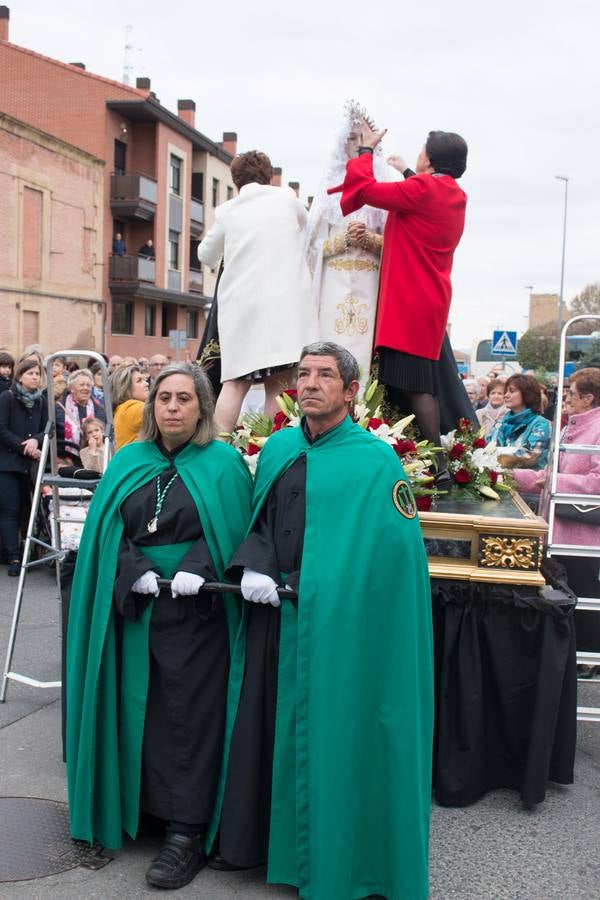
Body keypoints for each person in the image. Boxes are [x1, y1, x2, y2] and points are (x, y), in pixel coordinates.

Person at [209, 341, 434, 900]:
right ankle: (260, 847)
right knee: (268, 731)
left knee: (329, 740)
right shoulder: (280, 447)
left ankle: (328, 860)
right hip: (275, 620)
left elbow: (391, 560)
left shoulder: (374, 461)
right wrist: (256, 565)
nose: (309, 383)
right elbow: (262, 522)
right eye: (304, 374)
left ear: (351, 391)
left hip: (337, 628)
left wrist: (317, 587)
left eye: (325, 375)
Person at [66, 364, 253, 890]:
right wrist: (134, 570)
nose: (172, 407)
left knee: (188, 719)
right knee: (138, 713)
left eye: (183, 399)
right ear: (152, 408)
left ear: (202, 407)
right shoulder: (129, 460)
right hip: (136, 607)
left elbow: (235, 529)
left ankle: (186, 830)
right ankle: (144, 810)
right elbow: (107, 533)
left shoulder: (223, 464)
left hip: (198, 614)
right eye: (164, 398)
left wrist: (199, 566)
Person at [329, 124, 468, 485]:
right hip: (430, 297)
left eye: (423, 150)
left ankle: (438, 466)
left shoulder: (422, 190)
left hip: (409, 297)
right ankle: (430, 459)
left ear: (430, 160)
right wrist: (406, 170)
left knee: (415, 385)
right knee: (417, 380)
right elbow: (423, 197)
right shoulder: (453, 193)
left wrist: (365, 151)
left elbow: (366, 191)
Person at [197, 150, 317, 435]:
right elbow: (309, 230)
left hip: (242, 308)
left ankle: (217, 452)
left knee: (235, 383)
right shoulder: (288, 199)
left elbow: (205, 255)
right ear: (269, 177)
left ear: (235, 181)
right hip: (286, 307)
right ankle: (266, 450)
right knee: (279, 385)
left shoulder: (227, 211)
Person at [513, 367, 600, 671]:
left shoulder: (596, 429)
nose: (565, 398)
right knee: (565, 594)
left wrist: (553, 481)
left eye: (571, 393)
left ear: (588, 398)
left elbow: (596, 482)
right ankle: (571, 656)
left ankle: (588, 658)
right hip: (562, 529)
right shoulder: (568, 427)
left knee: (583, 595)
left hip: (583, 534)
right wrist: (509, 476)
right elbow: (547, 474)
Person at [304, 102, 386, 386]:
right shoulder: (327, 191)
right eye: (351, 138)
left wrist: (370, 240)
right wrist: (343, 241)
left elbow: (397, 246)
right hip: (333, 286)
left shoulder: (384, 187)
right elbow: (311, 250)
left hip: (370, 283)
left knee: (367, 351)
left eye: (362, 139)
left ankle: (366, 407)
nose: (356, 144)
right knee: (331, 350)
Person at [0, 358, 48, 575]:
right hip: (7, 464)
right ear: (19, 376)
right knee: (9, 510)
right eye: (30, 373)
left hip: (29, 466)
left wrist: (37, 440)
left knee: (25, 510)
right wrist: (25, 447)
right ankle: (13, 557)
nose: (35, 377)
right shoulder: (7, 397)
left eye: (37, 373)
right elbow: (1, 430)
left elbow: (47, 428)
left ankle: (21, 550)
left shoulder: (41, 401)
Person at [489, 373, 551, 470]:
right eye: (506, 391)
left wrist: (496, 455)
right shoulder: (500, 423)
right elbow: (489, 449)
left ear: (527, 394)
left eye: (511, 391)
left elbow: (530, 456)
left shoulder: (541, 424)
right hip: (498, 477)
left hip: (528, 478)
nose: (506, 395)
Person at [55, 369, 106, 465]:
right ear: (72, 388)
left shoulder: (99, 408)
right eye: (82, 385)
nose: (86, 388)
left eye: (88, 385)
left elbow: (104, 432)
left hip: (94, 459)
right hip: (67, 460)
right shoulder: (59, 408)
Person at [110, 364, 149, 450]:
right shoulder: (131, 408)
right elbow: (162, 412)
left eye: (145, 380)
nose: (147, 384)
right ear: (125, 388)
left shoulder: (122, 408)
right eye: (139, 381)